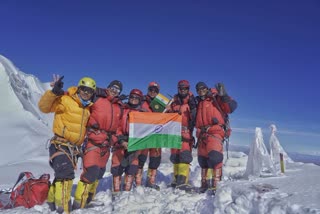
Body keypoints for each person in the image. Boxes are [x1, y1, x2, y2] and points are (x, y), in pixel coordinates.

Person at [38, 75, 96, 214]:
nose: (86, 93)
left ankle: (51, 203)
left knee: (60, 176)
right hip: (61, 144)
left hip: (74, 149)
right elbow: (44, 107)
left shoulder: (87, 108)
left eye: (89, 91)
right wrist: (53, 93)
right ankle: (63, 210)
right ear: (78, 88)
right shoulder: (65, 99)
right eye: (84, 89)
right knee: (65, 177)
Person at [72, 80, 124, 209]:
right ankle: (78, 204)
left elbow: (118, 127)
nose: (114, 90)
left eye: (118, 90)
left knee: (99, 173)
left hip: (107, 144)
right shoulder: (97, 98)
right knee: (90, 171)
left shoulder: (119, 106)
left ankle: (88, 200)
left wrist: (119, 139)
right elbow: (78, 95)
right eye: (113, 87)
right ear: (108, 87)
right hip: (93, 141)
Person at [194, 81, 237, 194]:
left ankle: (216, 184)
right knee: (202, 160)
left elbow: (231, 108)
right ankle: (205, 184)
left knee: (215, 157)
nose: (201, 91)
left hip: (215, 131)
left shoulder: (216, 98)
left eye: (203, 88)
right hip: (201, 134)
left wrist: (224, 96)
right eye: (198, 90)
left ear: (207, 88)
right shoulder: (197, 102)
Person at [111, 89, 150, 193]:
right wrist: (121, 140)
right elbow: (116, 126)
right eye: (132, 97)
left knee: (132, 166)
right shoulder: (122, 109)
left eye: (136, 98)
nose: (133, 99)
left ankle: (127, 190)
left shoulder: (143, 113)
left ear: (140, 100)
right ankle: (116, 190)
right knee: (117, 166)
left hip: (135, 143)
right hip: (121, 141)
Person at [166, 80, 197, 191]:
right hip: (174, 132)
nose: (183, 90)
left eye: (185, 88)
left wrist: (194, 108)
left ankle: (183, 181)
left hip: (185, 132)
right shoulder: (174, 102)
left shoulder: (192, 102)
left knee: (184, 156)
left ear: (188, 89)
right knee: (175, 156)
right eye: (181, 88)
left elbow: (196, 118)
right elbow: (168, 116)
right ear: (178, 89)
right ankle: (176, 180)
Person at [135, 81, 162, 190]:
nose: (153, 92)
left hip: (156, 135)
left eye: (155, 91)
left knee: (155, 159)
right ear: (148, 90)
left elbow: (168, 115)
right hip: (144, 135)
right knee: (141, 159)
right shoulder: (142, 101)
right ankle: (137, 182)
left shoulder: (161, 103)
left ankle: (151, 181)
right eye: (151, 90)